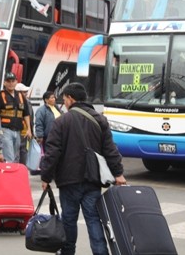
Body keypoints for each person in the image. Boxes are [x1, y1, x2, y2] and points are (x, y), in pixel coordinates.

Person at [40, 82, 126, 255]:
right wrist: (118, 173)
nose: (63, 102)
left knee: (69, 220)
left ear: (70, 99)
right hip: (93, 179)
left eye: (64, 99)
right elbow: (110, 149)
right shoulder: (100, 119)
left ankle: (68, 252)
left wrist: (46, 176)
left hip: (68, 180)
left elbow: (53, 152)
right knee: (94, 219)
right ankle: (100, 252)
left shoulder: (62, 121)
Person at [0, 72, 32, 162]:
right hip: (5, 130)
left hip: (17, 131)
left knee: (15, 157)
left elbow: (26, 113)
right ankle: (8, 174)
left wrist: (29, 129)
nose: (11, 83)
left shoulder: (20, 96)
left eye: (13, 81)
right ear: (4, 83)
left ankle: (12, 174)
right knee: (9, 157)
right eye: (8, 81)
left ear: (16, 82)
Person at [15, 82, 34, 165]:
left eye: (26, 91)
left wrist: (31, 131)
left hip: (25, 132)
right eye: (24, 91)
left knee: (23, 151)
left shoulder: (27, 102)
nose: (26, 93)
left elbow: (30, 118)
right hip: (19, 131)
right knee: (18, 152)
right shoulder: (20, 102)